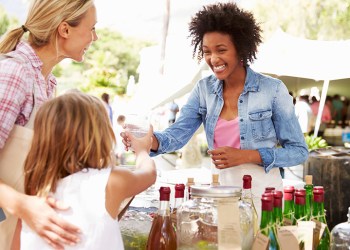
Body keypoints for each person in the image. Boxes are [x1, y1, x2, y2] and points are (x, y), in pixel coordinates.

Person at [121, 2, 308, 221]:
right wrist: (148, 141)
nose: (213, 59)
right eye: (206, 52)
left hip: (262, 198)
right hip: (218, 197)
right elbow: (177, 135)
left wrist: (246, 156)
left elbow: (298, 151)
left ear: (241, 48)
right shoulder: (204, 90)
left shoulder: (272, 90)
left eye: (221, 50)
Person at [0, 0, 98, 248]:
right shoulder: (15, 72)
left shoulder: (47, 82)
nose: (95, 38)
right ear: (64, 29)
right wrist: (23, 206)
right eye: (92, 28)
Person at [11, 92, 156, 249]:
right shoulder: (109, 182)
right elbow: (149, 174)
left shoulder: (34, 192)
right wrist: (142, 150)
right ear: (100, 136)